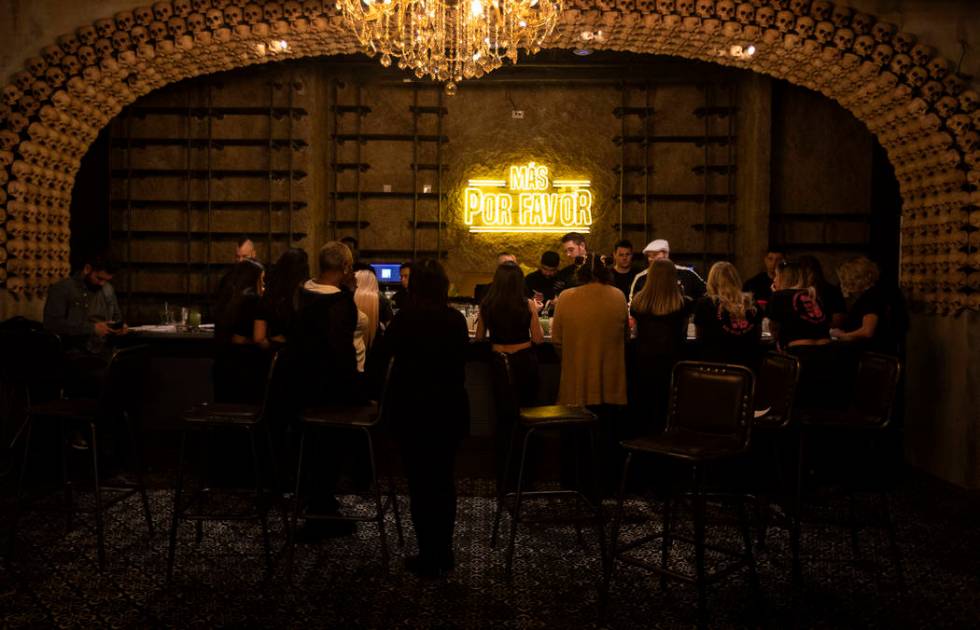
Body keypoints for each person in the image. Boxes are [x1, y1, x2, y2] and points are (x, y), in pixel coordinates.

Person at [384, 259, 470, 577]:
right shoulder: (456, 320)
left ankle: (427, 553)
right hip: (448, 408)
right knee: (444, 481)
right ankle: (443, 550)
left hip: (413, 409)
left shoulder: (405, 319)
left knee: (420, 484)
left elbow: (382, 356)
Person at [292, 241, 363, 540]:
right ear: (346, 268)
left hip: (298, 385)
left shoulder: (301, 293)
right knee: (329, 450)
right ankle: (321, 514)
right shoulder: (339, 303)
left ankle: (317, 505)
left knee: (310, 451)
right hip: (330, 392)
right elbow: (340, 354)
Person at [43, 254, 126, 398]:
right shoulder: (63, 289)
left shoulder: (107, 289)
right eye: (99, 278)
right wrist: (92, 328)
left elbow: (116, 317)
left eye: (106, 280)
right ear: (87, 269)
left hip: (104, 351)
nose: (102, 283)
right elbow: (52, 324)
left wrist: (120, 327)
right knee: (105, 379)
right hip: (76, 354)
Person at [629, 259, 695, 434]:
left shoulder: (638, 302)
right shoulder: (683, 303)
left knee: (646, 407)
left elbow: (635, 330)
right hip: (672, 363)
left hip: (643, 362)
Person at [212, 259, 266, 403]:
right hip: (245, 370)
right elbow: (240, 339)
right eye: (261, 280)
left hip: (223, 368)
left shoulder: (227, 300)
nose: (264, 285)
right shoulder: (252, 300)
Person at [833, 256, 908, 355]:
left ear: (854, 278)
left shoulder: (871, 297)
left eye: (844, 279)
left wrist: (844, 335)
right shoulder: (876, 293)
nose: (843, 283)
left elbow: (867, 331)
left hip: (871, 354)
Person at [694, 262, 763, 369]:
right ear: (736, 280)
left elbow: (699, 337)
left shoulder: (705, 304)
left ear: (712, 282)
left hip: (713, 371)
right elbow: (758, 337)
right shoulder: (752, 303)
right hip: (747, 371)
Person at [767, 261, 831, 350]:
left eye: (776, 275)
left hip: (801, 352)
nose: (774, 280)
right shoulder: (813, 295)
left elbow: (774, 330)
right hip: (828, 349)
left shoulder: (779, 296)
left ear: (784, 278)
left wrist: (776, 295)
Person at [254, 248, 309, 350]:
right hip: (301, 353)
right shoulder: (306, 296)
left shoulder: (270, 294)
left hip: (277, 351)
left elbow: (259, 338)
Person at [628, 239, 707, 302]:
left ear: (666, 254)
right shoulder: (641, 278)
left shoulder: (687, 274)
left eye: (655, 255)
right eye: (649, 256)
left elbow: (707, 293)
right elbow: (632, 305)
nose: (650, 259)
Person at [799, 255, 847, 329]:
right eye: (802, 274)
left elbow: (838, 320)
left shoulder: (831, 291)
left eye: (807, 273)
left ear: (816, 273)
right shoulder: (796, 292)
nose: (804, 277)